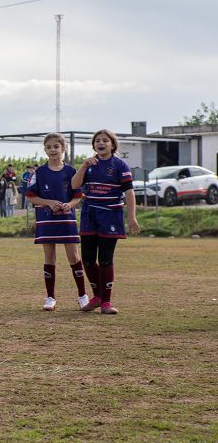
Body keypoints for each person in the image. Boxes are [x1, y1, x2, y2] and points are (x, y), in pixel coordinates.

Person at [70, 129, 139, 315]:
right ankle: (97, 296)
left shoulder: (119, 165)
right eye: (98, 141)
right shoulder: (89, 165)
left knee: (105, 259)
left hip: (111, 216)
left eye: (105, 141)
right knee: (88, 260)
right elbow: (74, 185)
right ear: (94, 145)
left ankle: (106, 302)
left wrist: (131, 217)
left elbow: (129, 192)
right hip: (89, 215)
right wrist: (83, 166)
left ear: (112, 145)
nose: (101, 143)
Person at [26, 133, 89, 311]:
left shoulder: (71, 172)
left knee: (74, 257)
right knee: (49, 257)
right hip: (46, 220)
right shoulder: (39, 172)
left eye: (56, 146)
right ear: (45, 150)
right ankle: (50, 297)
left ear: (63, 149)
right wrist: (49, 203)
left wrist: (69, 205)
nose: (52, 150)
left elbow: (78, 196)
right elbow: (31, 196)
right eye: (49, 147)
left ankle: (83, 295)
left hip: (67, 220)